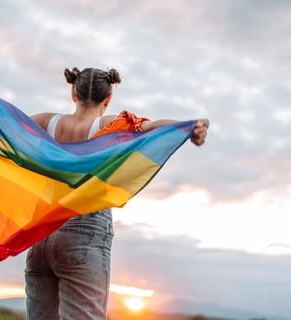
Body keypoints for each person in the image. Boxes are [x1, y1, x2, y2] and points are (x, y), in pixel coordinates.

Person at [25, 67, 209, 320]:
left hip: (40, 234)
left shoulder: (48, 122)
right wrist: (191, 127)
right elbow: (154, 126)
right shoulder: (112, 124)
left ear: (73, 93)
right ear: (108, 98)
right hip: (83, 234)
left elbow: (2, 121)